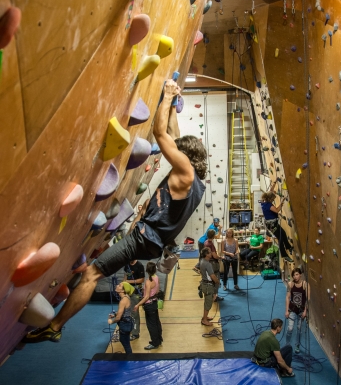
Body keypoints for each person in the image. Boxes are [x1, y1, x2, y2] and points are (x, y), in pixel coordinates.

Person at [22, 79, 207, 344]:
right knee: (95, 272)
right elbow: (175, 140)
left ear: (185, 157)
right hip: (152, 242)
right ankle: (55, 324)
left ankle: (55, 326)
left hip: (144, 238)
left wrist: (166, 96)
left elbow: (162, 136)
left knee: (92, 274)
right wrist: (177, 98)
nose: (174, 152)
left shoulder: (186, 172)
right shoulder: (198, 183)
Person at [133, 262, 162, 350]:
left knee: (151, 324)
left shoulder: (148, 281)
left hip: (149, 305)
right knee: (156, 322)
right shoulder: (156, 278)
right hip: (154, 302)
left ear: (147, 270)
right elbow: (157, 291)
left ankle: (154, 343)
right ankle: (158, 339)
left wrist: (137, 304)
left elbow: (146, 297)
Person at [261, 184, 293, 262]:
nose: (273, 200)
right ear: (270, 199)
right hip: (272, 225)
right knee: (281, 238)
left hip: (271, 224)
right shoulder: (269, 205)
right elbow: (276, 210)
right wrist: (281, 202)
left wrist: (274, 183)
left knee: (283, 233)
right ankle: (285, 255)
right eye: (273, 199)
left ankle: (288, 247)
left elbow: (270, 192)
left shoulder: (263, 202)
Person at [285, 268, 310, 354]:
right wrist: (286, 310)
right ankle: (287, 344)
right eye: (294, 275)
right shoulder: (290, 284)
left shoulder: (305, 285)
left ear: (300, 275)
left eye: (297, 274)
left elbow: (307, 300)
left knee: (299, 328)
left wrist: (305, 311)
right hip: (292, 309)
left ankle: (297, 345)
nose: (295, 277)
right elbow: (288, 297)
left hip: (301, 310)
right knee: (290, 328)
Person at [107, 282, 135, 354]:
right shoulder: (126, 297)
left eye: (119, 285)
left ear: (123, 290)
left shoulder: (123, 301)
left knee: (125, 342)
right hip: (128, 321)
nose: (116, 285)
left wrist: (111, 322)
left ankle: (130, 358)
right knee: (125, 341)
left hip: (125, 323)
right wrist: (115, 315)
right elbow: (124, 311)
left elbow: (119, 317)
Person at [123, 259, 145, 341]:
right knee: (127, 312)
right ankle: (129, 329)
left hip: (135, 292)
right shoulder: (127, 264)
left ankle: (135, 333)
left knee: (134, 312)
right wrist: (123, 284)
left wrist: (128, 281)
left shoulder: (139, 265)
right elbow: (125, 275)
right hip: (127, 291)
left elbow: (141, 280)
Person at [199, 247, 220, 326]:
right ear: (207, 254)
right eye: (210, 252)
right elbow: (212, 276)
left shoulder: (202, 261)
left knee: (206, 302)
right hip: (208, 286)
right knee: (208, 303)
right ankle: (204, 320)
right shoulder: (207, 264)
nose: (211, 253)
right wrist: (217, 282)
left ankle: (205, 316)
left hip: (204, 284)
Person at [204, 229, 223, 302]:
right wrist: (220, 257)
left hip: (208, 262)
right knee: (216, 279)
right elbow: (214, 256)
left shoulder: (205, 242)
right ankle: (215, 296)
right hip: (213, 263)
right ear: (213, 236)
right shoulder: (210, 244)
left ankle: (211, 294)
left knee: (211, 279)